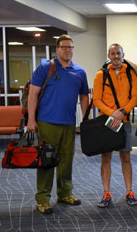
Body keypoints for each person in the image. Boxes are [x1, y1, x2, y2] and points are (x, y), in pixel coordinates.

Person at [27, 34, 89, 214]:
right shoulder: (46, 68)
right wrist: (31, 119)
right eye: (64, 47)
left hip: (69, 123)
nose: (67, 50)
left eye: (70, 47)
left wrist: (84, 119)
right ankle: (43, 198)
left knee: (66, 160)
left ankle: (65, 193)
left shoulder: (80, 72)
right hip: (47, 122)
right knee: (46, 161)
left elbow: (84, 95)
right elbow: (33, 95)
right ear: (57, 49)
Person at [93, 44, 137, 208]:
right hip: (106, 122)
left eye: (118, 53)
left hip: (124, 121)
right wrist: (113, 113)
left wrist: (123, 112)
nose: (116, 56)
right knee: (106, 158)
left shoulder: (131, 73)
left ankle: (129, 191)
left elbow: (135, 96)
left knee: (125, 158)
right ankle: (106, 193)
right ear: (108, 55)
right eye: (112, 54)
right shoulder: (101, 75)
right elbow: (96, 99)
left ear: (123, 54)